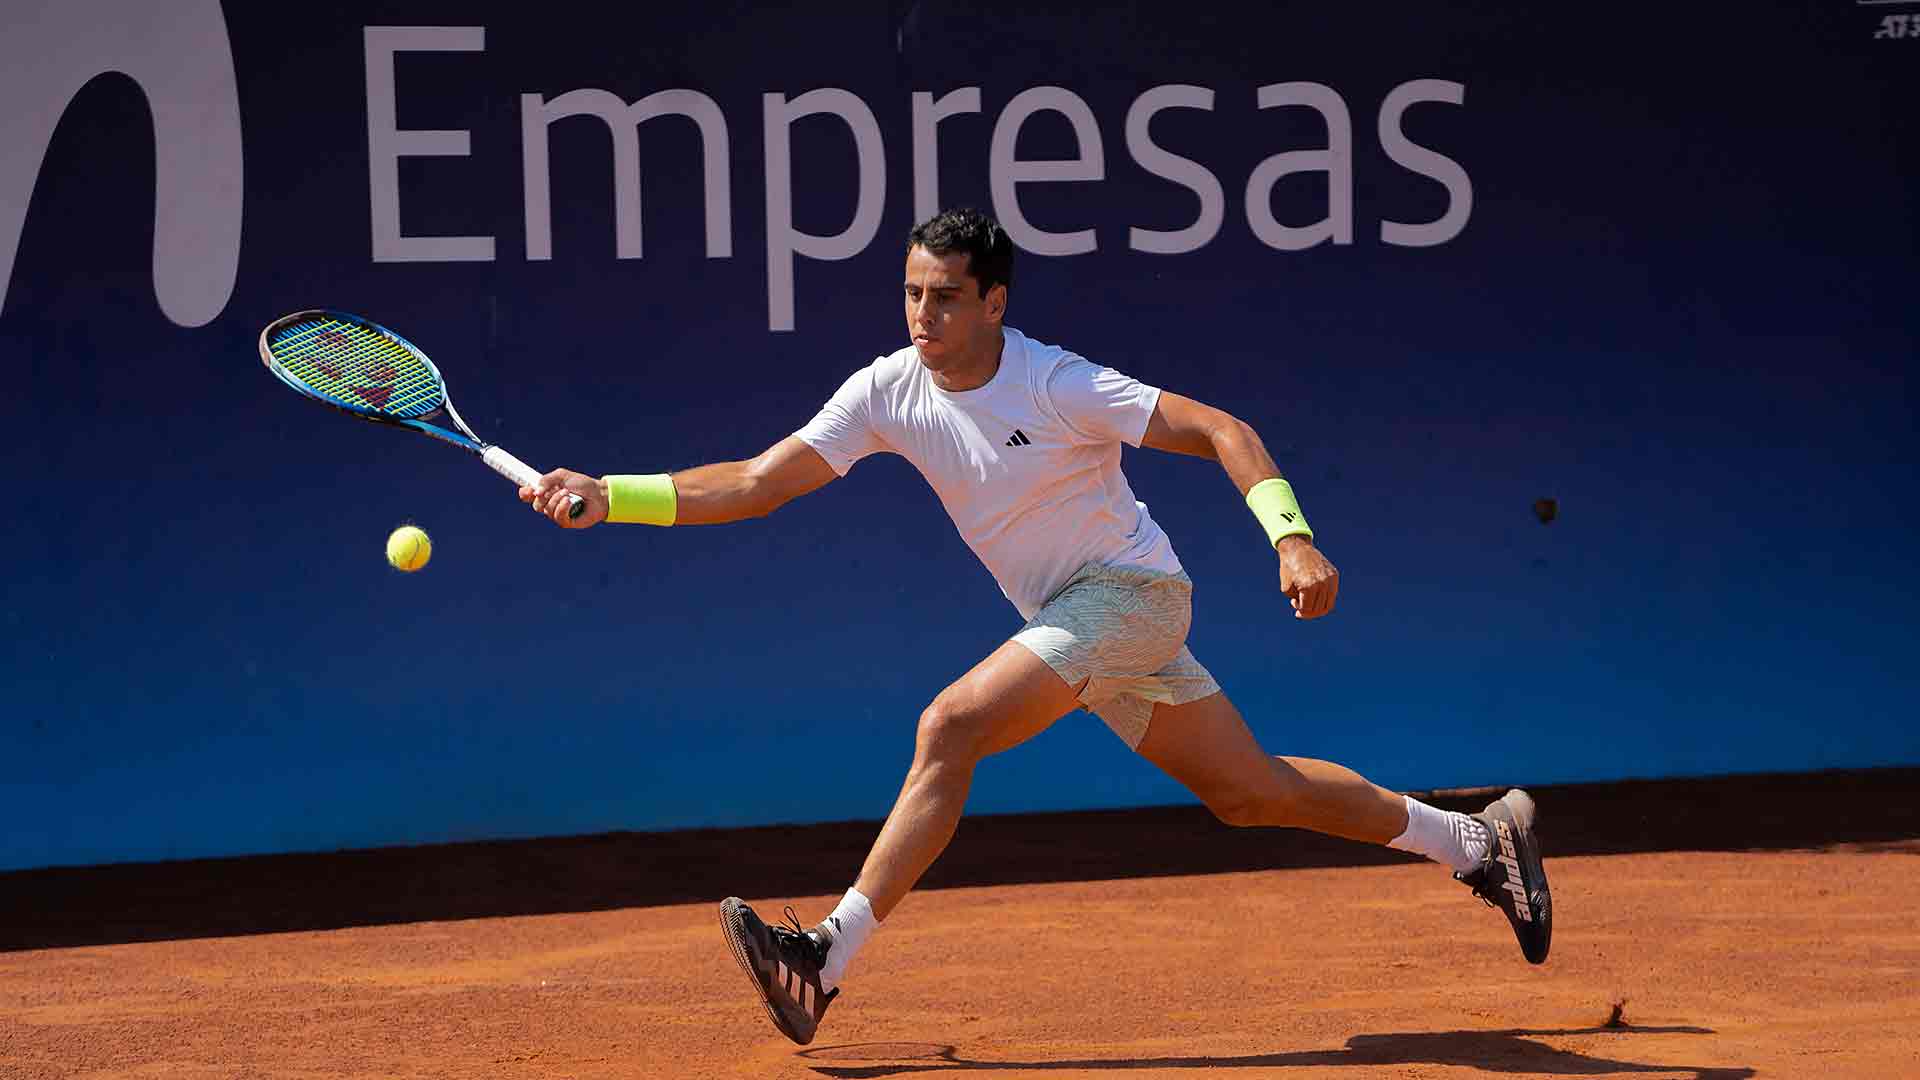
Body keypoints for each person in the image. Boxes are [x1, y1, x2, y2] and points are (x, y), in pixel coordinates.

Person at [519, 208, 1552, 1046]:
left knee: (950, 725)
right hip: (1074, 620)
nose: (923, 314)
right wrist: (613, 494)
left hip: (1132, 595)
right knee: (1253, 794)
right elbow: (756, 481)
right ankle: (1478, 841)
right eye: (911, 292)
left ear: (993, 303)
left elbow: (1220, 429)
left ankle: (825, 958)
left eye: (945, 296)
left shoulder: (1056, 383)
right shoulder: (885, 390)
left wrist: (1291, 537)